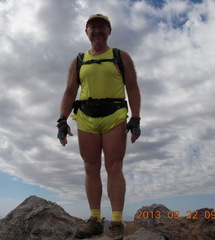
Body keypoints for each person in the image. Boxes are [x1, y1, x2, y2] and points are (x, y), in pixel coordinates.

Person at [57, 14, 141, 239]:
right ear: (86, 32)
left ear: (109, 31)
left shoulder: (120, 56)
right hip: (86, 117)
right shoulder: (79, 60)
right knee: (90, 167)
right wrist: (62, 120)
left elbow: (132, 88)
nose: (97, 31)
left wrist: (135, 118)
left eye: (102, 27)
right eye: (93, 27)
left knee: (114, 167)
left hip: (114, 116)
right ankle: (95, 219)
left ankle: (115, 222)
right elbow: (69, 91)